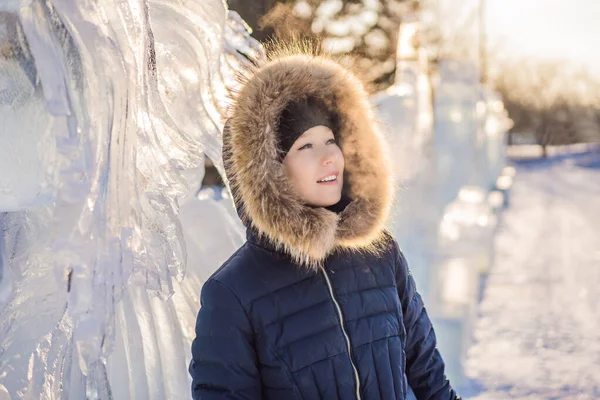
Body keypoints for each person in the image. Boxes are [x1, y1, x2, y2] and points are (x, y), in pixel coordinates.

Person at [189, 47, 459, 400]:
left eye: (331, 140)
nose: (330, 156)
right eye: (306, 146)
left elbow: (428, 373)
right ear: (268, 173)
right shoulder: (233, 293)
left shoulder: (380, 256)